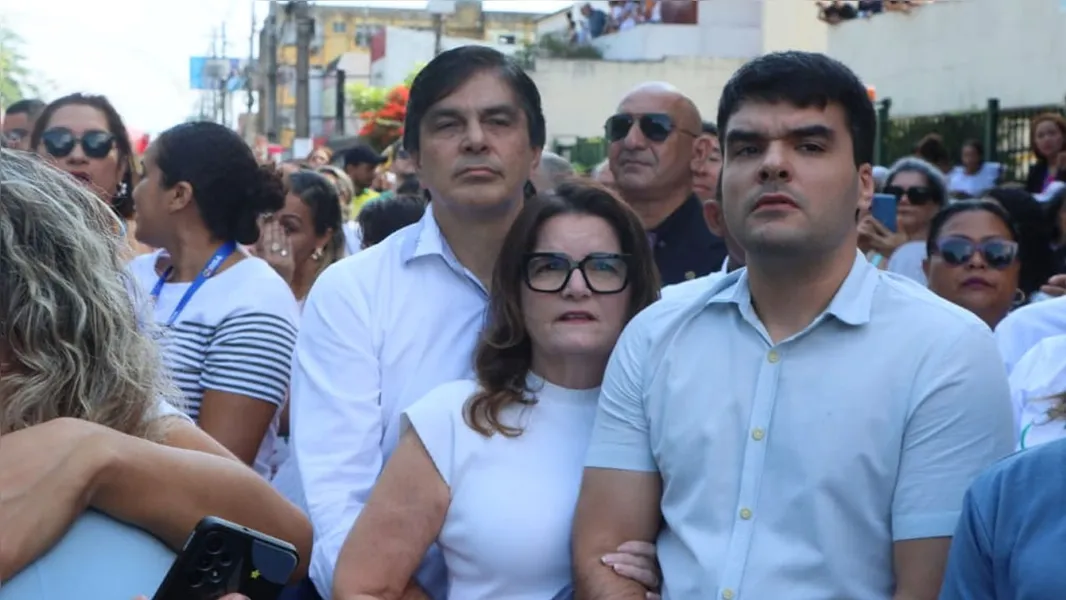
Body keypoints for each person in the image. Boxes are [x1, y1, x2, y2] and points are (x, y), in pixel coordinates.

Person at [572, 50, 1013, 599]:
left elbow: (932, 588)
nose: (773, 165)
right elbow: (602, 553)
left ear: (864, 186)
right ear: (722, 175)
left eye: (809, 146)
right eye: (748, 148)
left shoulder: (947, 351)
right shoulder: (655, 331)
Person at [290, 45, 546, 599]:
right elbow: (337, 505)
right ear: (412, 158)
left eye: (498, 121)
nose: (476, 139)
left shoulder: (588, 285)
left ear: (534, 151)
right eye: (449, 124)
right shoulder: (355, 292)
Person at [0, 148, 310, 599]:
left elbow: (286, 541)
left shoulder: (102, 408)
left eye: (147, 176)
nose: (136, 190)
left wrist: (92, 453)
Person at [332, 182, 663, 600]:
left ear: (635, 286)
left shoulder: (674, 420)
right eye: (548, 266)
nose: (576, 287)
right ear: (515, 288)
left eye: (602, 266)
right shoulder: (453, 419)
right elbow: (363, 586)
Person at [128, 121, 300, 477]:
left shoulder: (256, 299)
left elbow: (221, 471)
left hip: (185, 524)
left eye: (145, 175)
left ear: (179, 195)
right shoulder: (135, 275)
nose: (134, 191)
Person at [923, 200, 1021, 330]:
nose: (976, 262)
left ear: (1016, 269)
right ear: (927, 268)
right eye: (956, 249)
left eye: (996, 252)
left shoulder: (1041, 343)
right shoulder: (897, 339)